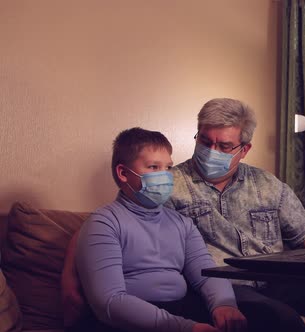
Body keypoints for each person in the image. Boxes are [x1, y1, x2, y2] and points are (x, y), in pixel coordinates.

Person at [166, 98, 305, 331]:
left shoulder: (266, 184)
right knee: (280, 319)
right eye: (205, 141)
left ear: (244, 149)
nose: (211, 151)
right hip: (223, 286)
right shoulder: (170, 187)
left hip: (278, 281)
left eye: (224, 146)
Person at [67, 127, 247, 332]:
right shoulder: (104, 223)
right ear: (123, 173)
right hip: (126, 321)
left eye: (168, 167)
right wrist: (185, 328)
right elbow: (109, 302)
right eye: (153, 167)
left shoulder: (183, 224)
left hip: (179, 310)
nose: (165, 176)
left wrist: (224, 304)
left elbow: (205, 272)